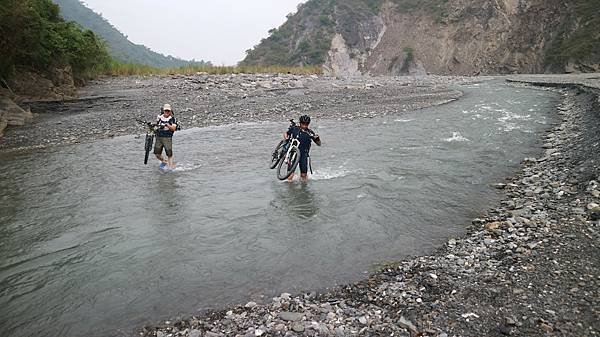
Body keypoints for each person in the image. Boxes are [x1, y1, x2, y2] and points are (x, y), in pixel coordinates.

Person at [284, 114, 321, 181]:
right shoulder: (295, 129)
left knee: (303, 175)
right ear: (300, 123)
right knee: (290, 175)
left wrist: (318, 139)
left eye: (306, 124)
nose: (304, 126)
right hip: (293, 154)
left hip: (303, 155)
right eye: (303, 124)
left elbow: (319, 144)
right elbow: (286, 133)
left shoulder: (310, 132)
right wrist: (286, 138)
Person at [154, 103, 178, 168]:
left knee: (169, 154)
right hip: (159, 137)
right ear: (163, 111)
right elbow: (156, 126)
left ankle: (170, 168)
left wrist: (167, 125)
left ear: (170, 111)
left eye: (168, 111)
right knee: (157, 153)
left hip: (167, 138)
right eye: (165, 110)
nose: (167, 112)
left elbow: (174, 128)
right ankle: (164, 162)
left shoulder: (173, 119)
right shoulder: (159, 117)